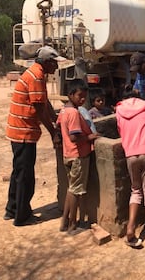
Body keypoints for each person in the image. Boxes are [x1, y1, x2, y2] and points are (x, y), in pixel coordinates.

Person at [4, 45, 66, 226]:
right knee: (25, 175)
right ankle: (22, 217)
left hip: (17, 129)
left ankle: (12, 208)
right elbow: (39, 108)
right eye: (54, 63)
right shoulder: (37, 76)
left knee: (18, 172)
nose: (56, 66)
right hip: (23, 131)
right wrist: (54, 132)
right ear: (46, 62)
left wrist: (56, 117)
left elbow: (43, 100)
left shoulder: (35, 72)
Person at [115, 91, 145, 248]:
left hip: (131, 153)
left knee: (135, 191)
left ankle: (130, 227)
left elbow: (120, 130)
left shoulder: (119, 110)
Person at [57, 79, 100, 235]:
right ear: (70, 95)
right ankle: (72, 225)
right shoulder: (74, 113)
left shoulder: (63, 111)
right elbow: (74, 136)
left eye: (84, 97)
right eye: (79, 96)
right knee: (76, 190)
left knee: (71, 189)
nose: (82, 100)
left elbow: (58, 127)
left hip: (67, 153)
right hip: (78, 155)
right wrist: (89, 138)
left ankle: (64, 221)